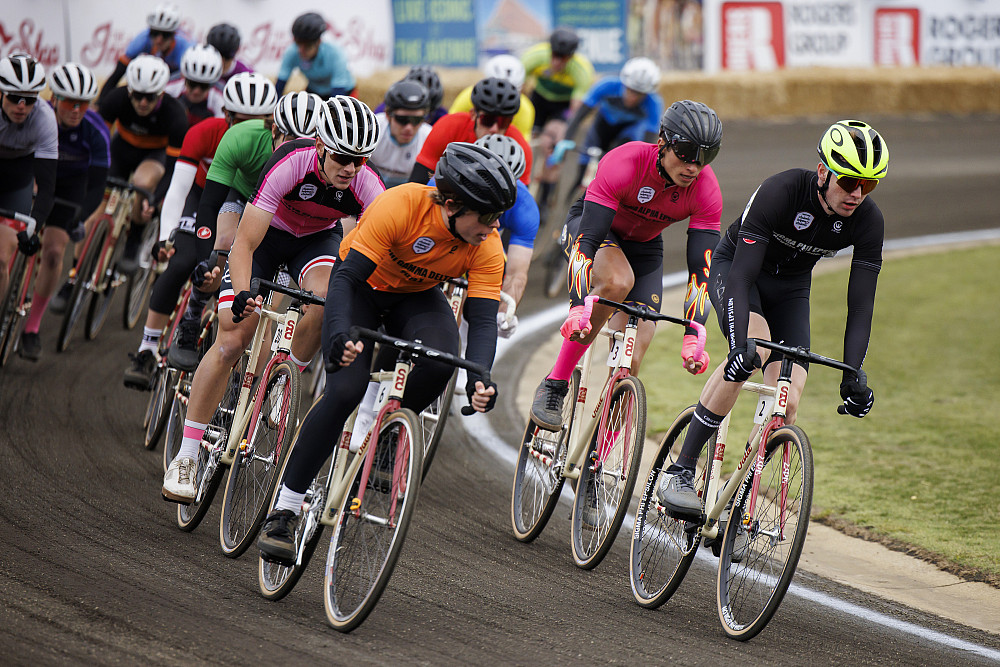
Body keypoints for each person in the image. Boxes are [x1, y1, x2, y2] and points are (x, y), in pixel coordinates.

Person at [257, 142, 516, 563]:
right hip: (359, 289)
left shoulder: (487, 246)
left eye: (497, 217)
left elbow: (483, 320)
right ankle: (284, 509)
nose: (491, 226)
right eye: (484, 216)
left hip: (414, 298)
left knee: (441, 364)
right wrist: (340, 333)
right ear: (450, 204)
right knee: (345, 391)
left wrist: (480, 375)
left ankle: (386, 433)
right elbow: (344, 280)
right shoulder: (401, 205)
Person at [656, 120, 888, 520]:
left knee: (790, 397)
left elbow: (861, 305)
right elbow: (744, 275)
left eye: (869, 186)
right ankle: (680, 470)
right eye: (850, 182)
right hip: (740, 272)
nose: (857, 195)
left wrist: (853, 373)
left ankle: (739, 505)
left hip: (792, 290)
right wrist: (740, 342)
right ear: (823, 172)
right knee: (753, 353)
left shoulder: (868, 220)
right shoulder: (781, 191)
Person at [162, 95, 384, 502]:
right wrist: (244, 292)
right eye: (341, 158)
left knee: (327, 298)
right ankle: (187, 454)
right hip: (265, 238)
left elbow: (369, 256)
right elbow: (244, 243)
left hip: (315, 240)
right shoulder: (289, 162)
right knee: (232, 339)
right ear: (319, 147)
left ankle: (284, 381)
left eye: (360, 160)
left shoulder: (368, 186)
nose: (350, 169)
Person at [529, 100, 723, 432]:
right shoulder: (626, 162)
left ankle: (599, 460)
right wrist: (578, 307)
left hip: (645, 248)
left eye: (706, 155)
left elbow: (701, 271)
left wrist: (694, 333)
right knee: (617, 281)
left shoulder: (706, 189)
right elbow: (587, 243)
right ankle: (555, 383)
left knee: (631, 362)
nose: (694, 165)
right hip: (594, 230)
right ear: (663, 142)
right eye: (688, 152)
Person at [122, 73, 279, 389]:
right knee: (183, 261)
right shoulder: (203, 133)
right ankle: (147, 349)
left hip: (250, 204)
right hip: (201, 196)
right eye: (240, 121)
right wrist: (167, 237)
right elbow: (179, 189)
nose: (248, 127)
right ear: (226, 116)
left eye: (257, 120)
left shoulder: (273, 144)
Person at [163, 82, 311, 372]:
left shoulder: (317, 162)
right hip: (243, 197)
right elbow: (209, 204)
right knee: (227, 239)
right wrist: (205, 259)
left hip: (282, 216)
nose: (296, 149)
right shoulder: (241, 138)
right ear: (273, 131)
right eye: (290, 139)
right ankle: (193, 315)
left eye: (305, 142)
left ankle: (249, 401)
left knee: (263, 314)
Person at [19, 63, 110, 361]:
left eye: (83, 103)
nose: (76, 109)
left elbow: (97, 187)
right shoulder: (37, 115)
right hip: (33, 176)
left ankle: (31, 328)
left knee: (55, 252)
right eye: (70, 101)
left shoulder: (95, 130)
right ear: (54, 98)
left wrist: (78, 219)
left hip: (70, 188)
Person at [97, 54, 187, 275]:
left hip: (154, 155)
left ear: (161, 94)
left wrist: (155, 202)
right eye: (138, 96)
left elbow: (174, 167)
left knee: (142, 182)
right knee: (96, 209)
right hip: (121, 149)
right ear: (129, 91)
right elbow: (98, 143)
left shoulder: (175, 114)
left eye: (150, 97)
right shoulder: (115, 99)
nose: (143, 103)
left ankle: (133, 241)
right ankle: (74, 275)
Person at [551, 57, 664, 199]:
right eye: (630, 90)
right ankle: (572, 198)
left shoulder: (654, 103)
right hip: (601, 128)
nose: (633, 97)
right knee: (582, 173)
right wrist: (566, 139)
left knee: (617, 172)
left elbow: (649, 139)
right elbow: (580, 115)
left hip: (626, 135)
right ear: (624, 83)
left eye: (640, 94)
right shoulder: (607, 85)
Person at [0, 54, 56, 301]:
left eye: (30, 99)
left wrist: (35, 227)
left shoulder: (45, 119)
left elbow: (46, 186)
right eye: (14, 97)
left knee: (1, 259)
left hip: (17, 179)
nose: (21, 106)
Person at [522, 27, 595, 215]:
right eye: (555, 55)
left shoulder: (581, 70)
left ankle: (545, 199)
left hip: (562, 106)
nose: (557, 62)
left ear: (570, 57)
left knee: (552, 145)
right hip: (539, 99)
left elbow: (575, 110)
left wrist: (562, 137)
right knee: (527, 139)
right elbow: (518, 89)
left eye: (563, 58)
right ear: (549, 50)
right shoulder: (534, 56)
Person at [408, 77, 532, 186]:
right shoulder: (449, 126)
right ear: (473, 114)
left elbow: (522, 202)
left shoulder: (520, 147)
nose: (494, 129)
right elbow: (417, 182)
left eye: (503, 122)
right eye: (487, 120)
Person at [472, 133, 538, 335]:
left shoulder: (524, 207)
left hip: (485, 244)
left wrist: (503, 314)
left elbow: (517, 272)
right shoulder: (447, 184)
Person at [98, 2, 193, 101]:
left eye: (165, 35)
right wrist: (99, 103)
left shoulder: (185, 48)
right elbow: (117, 74)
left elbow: (185, 85)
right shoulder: (142, 39)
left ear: (174, 35)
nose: (158, 40)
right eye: (154, 33)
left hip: (172, 81)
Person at [448, 54, 535, 138]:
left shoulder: (526, 110)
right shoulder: (466, 97)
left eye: (504, 122)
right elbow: (452, 127)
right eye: (486, 120)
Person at [368, 79, 431, 189]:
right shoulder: (373, 129)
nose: (409, 128)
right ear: (388, 115)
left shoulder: (429, 137)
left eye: (416, 120)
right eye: (402, 119)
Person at [275, 12, 355, 99]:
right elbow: (280, 85)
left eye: (307, 46)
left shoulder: (336, 53)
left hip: (344, 90)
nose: (301, 50)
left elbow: (338, 91)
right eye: (298, 43)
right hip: (314, 90)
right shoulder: (292, 51)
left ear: (318, 42)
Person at [163, 44, 225, 128]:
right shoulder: (169, 87)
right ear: (183, 77)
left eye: (204, 86)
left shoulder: (221, 99)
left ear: (212, 84)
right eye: (192, 84)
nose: (196, 91)